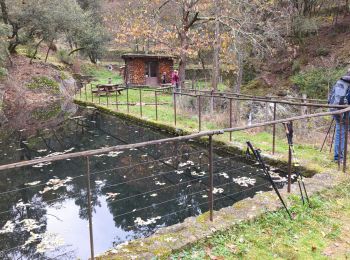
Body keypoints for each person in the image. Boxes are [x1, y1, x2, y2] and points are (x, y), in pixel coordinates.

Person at [329, 69, 350, 162]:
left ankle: (338, 157)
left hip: (335, 109)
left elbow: (331, 97)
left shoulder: (340, 81)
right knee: (341, 133)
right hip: (344, 112)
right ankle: (338, 158)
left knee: (340, 132)